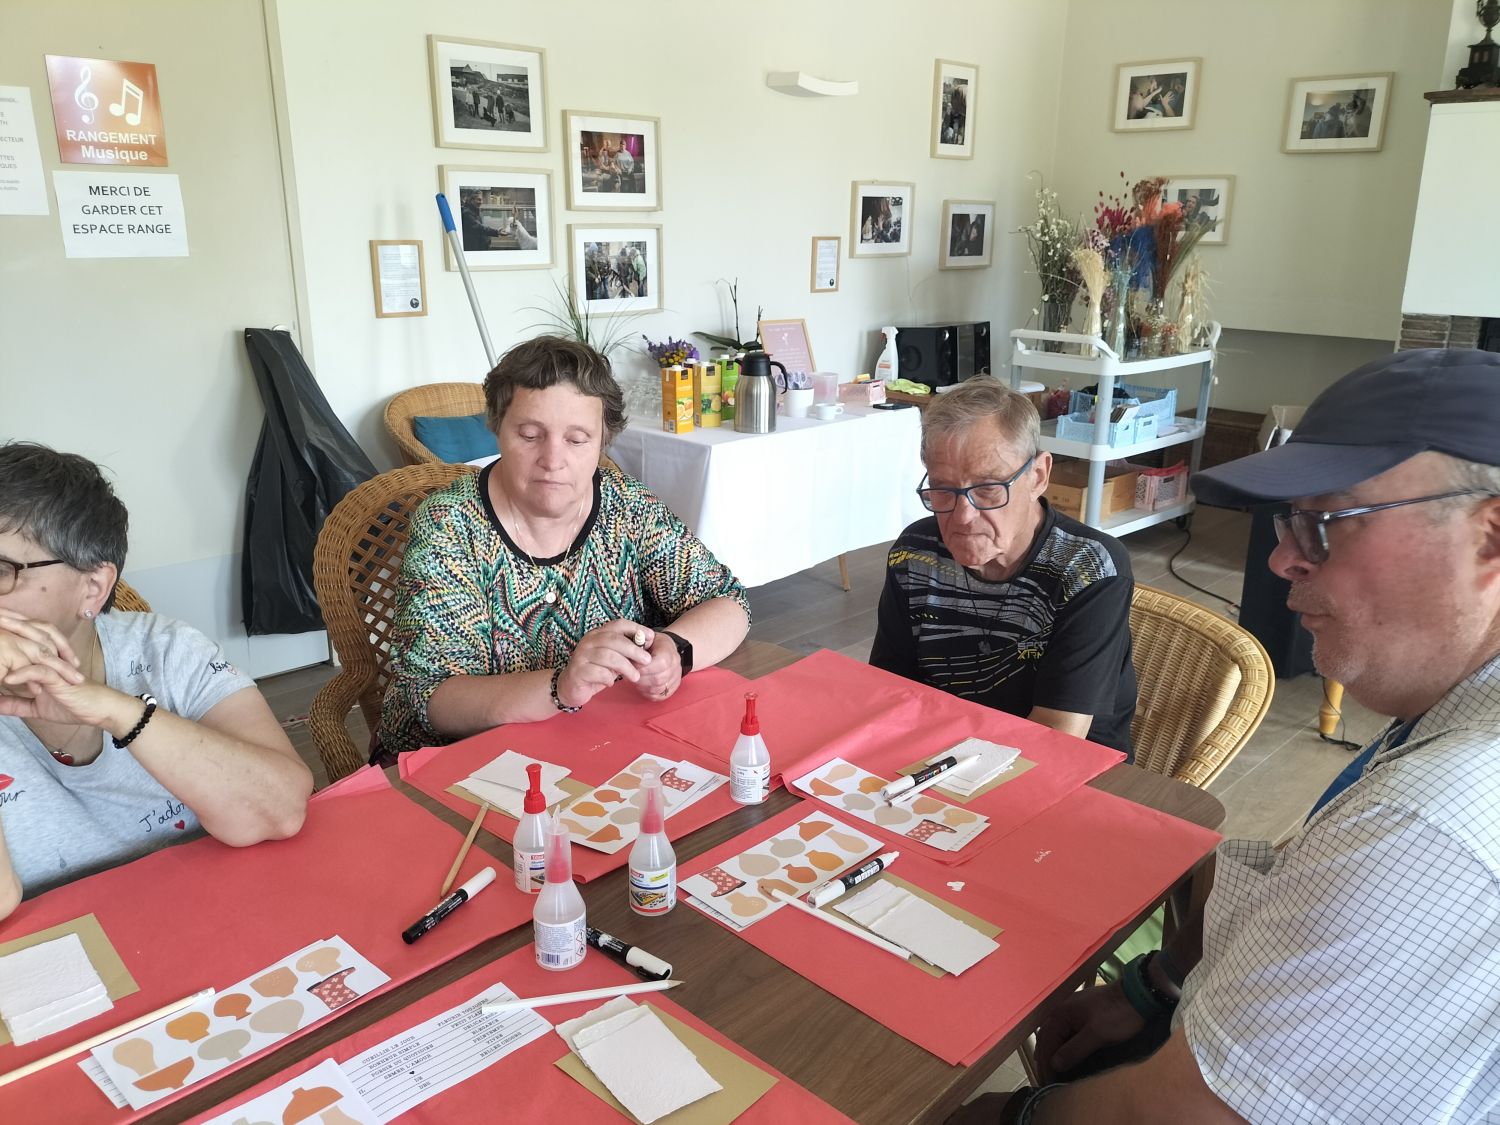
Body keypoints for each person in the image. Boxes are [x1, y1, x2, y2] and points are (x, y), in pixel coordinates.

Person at [976, 348, 1500, 1124]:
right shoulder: (1447, 718)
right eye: (1289, 522)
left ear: (1490, 536)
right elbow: (1293, 886)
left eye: (1325, 523)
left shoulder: (1429, 826)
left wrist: (1008, 1115)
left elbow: (1170, 1116)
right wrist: (1150, 983)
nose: (1285, 558)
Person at [377, 336, 750, 758]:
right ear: (497, 427)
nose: (553, 459)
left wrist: (676, 650)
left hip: (601, 744)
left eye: (577, 440)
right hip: (460, 763)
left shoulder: (625, 505)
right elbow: (433, 699)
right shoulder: (450, 526)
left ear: (603, 442)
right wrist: (561, 686)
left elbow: (729, 602)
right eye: (531, 434)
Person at [0, 443, 312, 918]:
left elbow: (281, 809)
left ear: (93, 587)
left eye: (3, 570)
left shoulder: (163, 651)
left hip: (217, 918)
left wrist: (116, 710)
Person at [869, 378, 1136, 756]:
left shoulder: (1087, 568)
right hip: (937, 756)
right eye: (944, 489)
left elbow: (1056, 737)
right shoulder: (916, 554)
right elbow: (889, 689)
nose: (963, 516)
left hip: (1068, 771)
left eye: (988, 489)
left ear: (1038, 476)